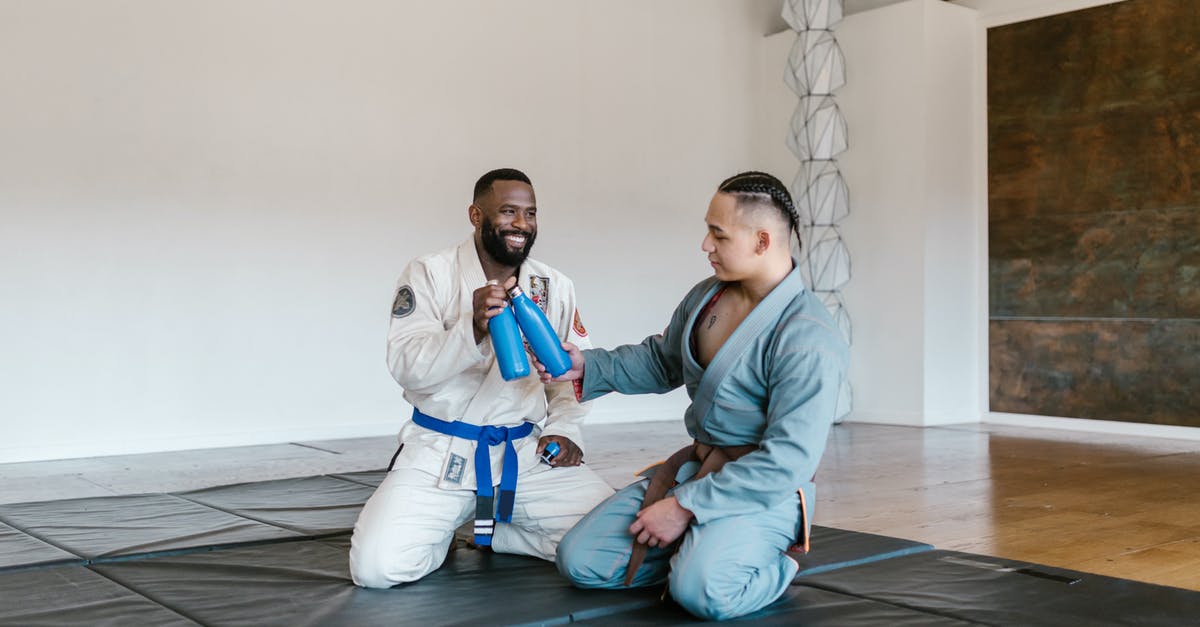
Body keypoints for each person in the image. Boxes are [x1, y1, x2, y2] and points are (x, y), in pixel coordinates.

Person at [543, 171, 849, 621]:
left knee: (702, 592)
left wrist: (685, 507)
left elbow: (788, 462)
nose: (705, 245)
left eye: (717, 234)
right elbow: (661, 361)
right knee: (580, 560)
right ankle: (700, 549)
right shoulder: (707, 297)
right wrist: (588, 365)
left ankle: (771, 564)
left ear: (762, 241)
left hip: (762, 490)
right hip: (696, 470)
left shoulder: (808, 335)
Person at [349, 168, 614, 588]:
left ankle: (498, 533)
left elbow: (569, 377)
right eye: (508, 211)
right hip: (442, 450)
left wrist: (566, 430)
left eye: (530, 213)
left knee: (611, 544)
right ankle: (440, 531)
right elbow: (406, 367)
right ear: (476, 215)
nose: (521, 225)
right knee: (376, 569)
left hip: (524, 452)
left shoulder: (552, 285)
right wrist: (470, 328)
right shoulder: (430, 273)